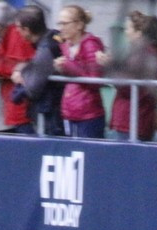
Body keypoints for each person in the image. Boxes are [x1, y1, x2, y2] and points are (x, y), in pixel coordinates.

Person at [99, 10, 157, 142]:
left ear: (138, 33)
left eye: (128, 29)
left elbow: (129, 87)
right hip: (129, 119)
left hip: (134, 121)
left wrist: (110, 67)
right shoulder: (139, 54)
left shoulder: (145, 56)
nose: (126, 32)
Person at [53, 4, 105, 138]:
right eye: (60, 23)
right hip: (71, 112)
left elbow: (94, 80)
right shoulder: (66, 46)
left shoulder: (90, 45)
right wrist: (61, 69)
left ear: (79, 25)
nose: (61, 28)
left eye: (65, 23)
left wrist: (68, 66)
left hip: (88, 114)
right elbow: (72, 73)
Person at [0, 1, 35, 133]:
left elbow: (22, 63)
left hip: (22, 101)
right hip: (11, 99)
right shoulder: (4, 36)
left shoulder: (17, 36)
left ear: (0, 24)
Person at [11, 4, 63, 136]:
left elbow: (32, 88)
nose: (16, 31)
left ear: (27, 30)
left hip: (50, 112)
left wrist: (22, 76)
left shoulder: (45, 50)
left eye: (18, 28)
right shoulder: (55, 36)